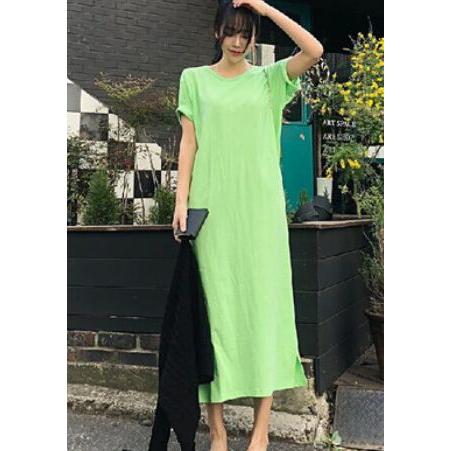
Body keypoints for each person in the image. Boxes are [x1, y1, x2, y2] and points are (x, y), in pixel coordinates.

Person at [172, 1, 323, 450]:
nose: (238, 42)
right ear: (217, 32)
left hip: (260, 215)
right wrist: (180, 201)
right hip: (212, 212)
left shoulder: (269, 79)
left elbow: (314, 50)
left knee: (262, 311)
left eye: (246, 33)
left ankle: (261, 429)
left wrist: (265, 8)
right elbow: (189, 143)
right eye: (231, 32)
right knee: (215, 316)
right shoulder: (193, 79)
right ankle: (217, 430)